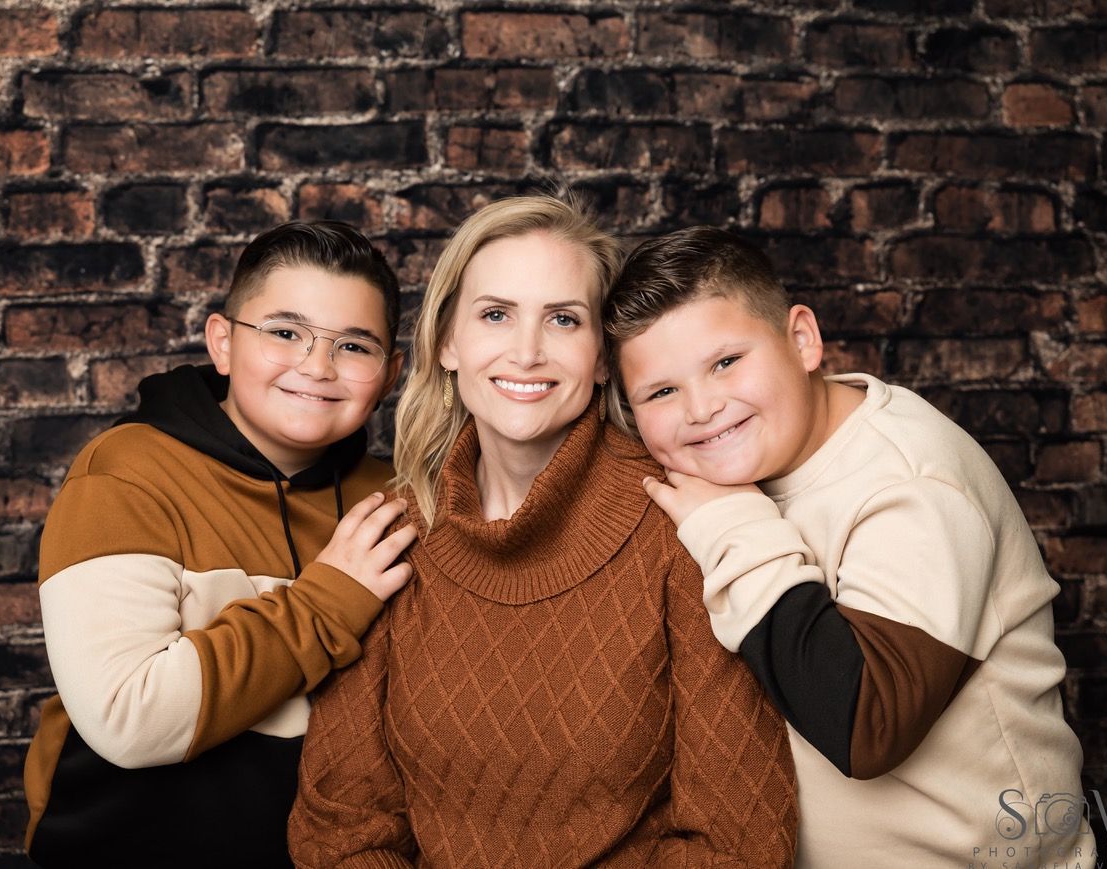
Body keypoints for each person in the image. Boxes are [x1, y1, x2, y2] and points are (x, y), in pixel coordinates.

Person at [288, 195, 798, 868]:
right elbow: (343, 833)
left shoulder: (681, 526)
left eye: (563, 319)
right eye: (496, 315)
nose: (527, 353)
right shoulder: (389, 533)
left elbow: (738, 843)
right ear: (447, 342)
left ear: (603, 358)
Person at [605, 225, 1094, 866]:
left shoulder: (914, 484)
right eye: (662, 392)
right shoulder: (728, 463)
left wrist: (734, 523)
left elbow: (870, 725)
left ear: (802, 339)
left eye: (726, 362)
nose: (701, 408)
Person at [22, 221, 417, 868]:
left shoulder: (397, 502)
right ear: (224, 343)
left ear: (390, 373)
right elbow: (128, 718)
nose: (317, 366)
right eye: (285, 333)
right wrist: (328, 602)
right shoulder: (126, 474)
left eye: (353, 345)